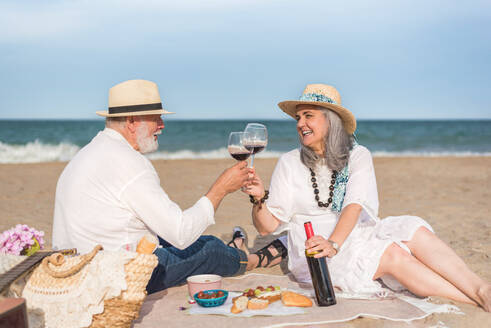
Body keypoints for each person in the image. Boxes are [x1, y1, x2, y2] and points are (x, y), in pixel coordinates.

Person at [244, 83, 491, 311]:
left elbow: (354, 204)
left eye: (309, 116)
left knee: (413, 229)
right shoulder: (289, 162)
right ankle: (472, 299)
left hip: (353, 234)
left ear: (331, 121)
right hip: (316, 254)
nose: (300, 123)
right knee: (392, 253)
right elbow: (267, 227)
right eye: (298, 118)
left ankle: (482, 289)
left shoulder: (357, 155)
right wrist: (258, 200)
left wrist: (335, 243)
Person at [52, 79, 285, 294]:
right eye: (156, 118)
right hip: (116, 276)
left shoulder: (88, 153)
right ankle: (254, 259)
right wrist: (220, 189)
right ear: (133, 121)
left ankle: (234, 249)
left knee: (179, 239)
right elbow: (180, 234)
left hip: (76, 267)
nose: (162, 126)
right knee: (210, 248)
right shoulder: (130, 163)